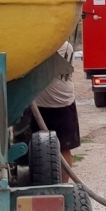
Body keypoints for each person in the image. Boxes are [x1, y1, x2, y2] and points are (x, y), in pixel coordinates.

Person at [33, 39, 81, 167]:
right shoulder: (36, 44)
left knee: (63, 148)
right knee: (36, 149)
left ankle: (64, 179)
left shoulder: (64, 46)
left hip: (61, 105)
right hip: (38, 106)